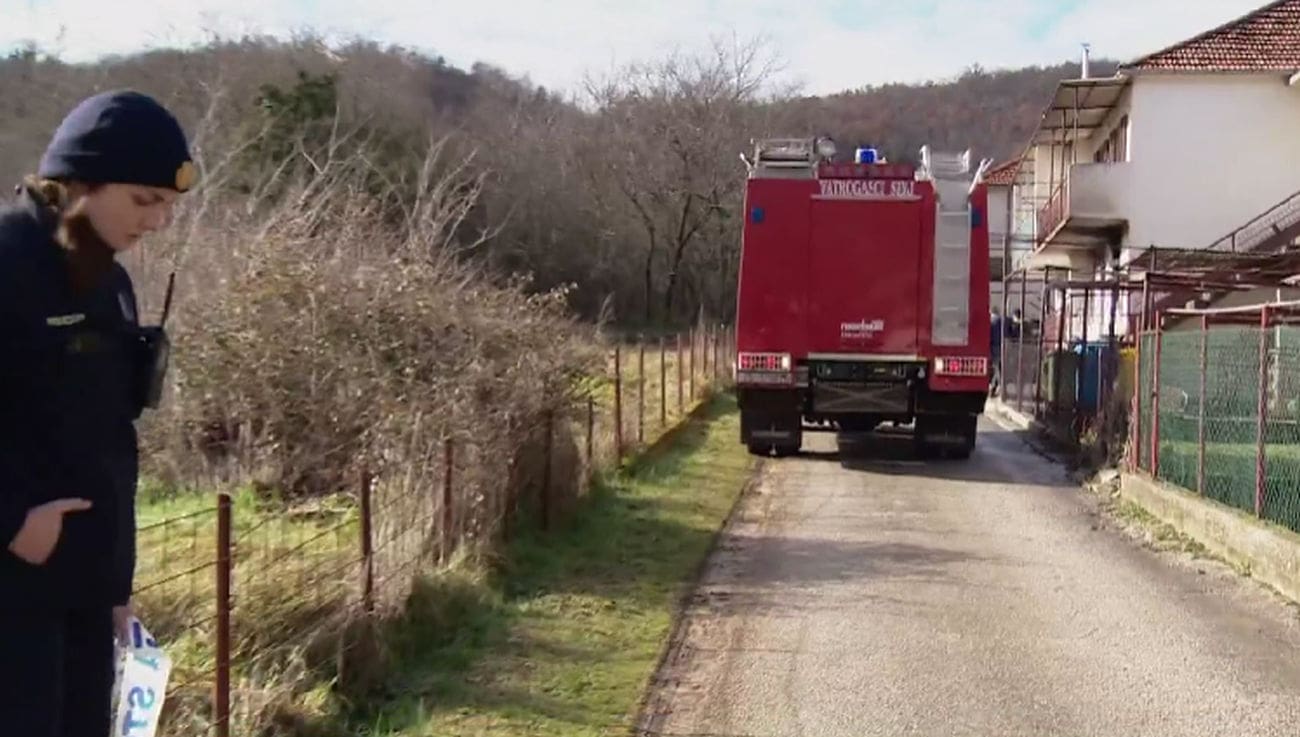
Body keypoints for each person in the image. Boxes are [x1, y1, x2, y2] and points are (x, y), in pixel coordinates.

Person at [0, 89, 195, 736]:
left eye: (167, 206)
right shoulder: (7, 262)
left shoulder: (107, 280)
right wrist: (12, 521)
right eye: (144, 200)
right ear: (79, 181)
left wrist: (117, 585)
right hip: (13, 585)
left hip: (84, 588)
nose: (157, 221)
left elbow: (113, 440)